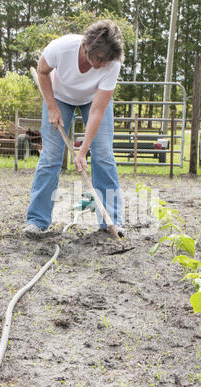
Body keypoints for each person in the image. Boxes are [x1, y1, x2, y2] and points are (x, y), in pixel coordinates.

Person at [24, 20, 124, 238]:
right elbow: (42, 71)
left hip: (93, 100)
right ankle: (37, 221)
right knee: (51, 156)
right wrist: (51, 107)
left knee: (104, 155)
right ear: (87, 45)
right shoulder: (61, 48)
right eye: (98, 58)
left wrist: (82, 151)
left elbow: (97, 111)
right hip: (59, 97)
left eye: (105, 61)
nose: (100, 64)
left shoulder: (112, 64)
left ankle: (111, 221)